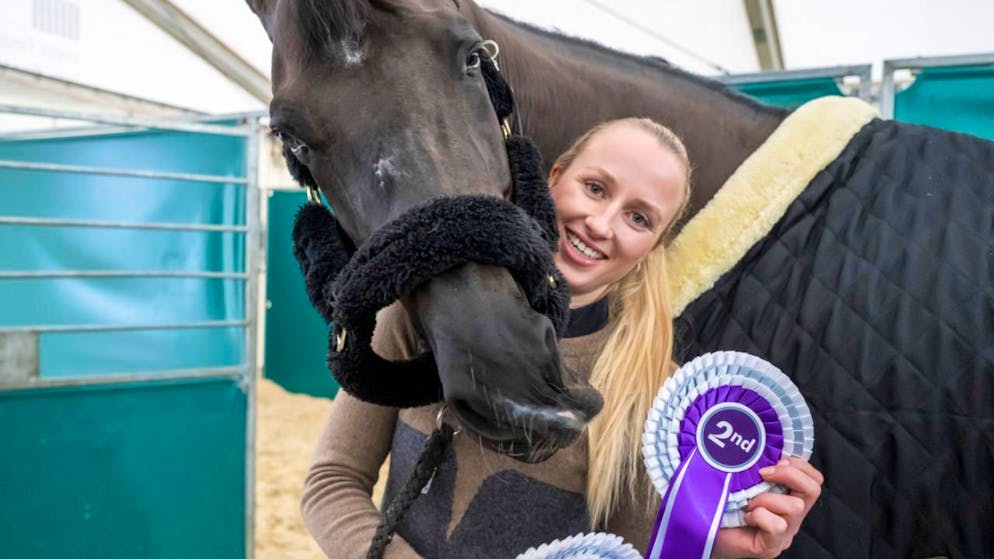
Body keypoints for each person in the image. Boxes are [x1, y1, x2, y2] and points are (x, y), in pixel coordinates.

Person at [300, 117, 824, 559]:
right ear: (553, 179)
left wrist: (724, 548)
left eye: (638, 218)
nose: (601, 223)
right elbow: (331, 482)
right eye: (595, 188)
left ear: (652, 247)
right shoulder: (420, 312)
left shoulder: (661, 404)